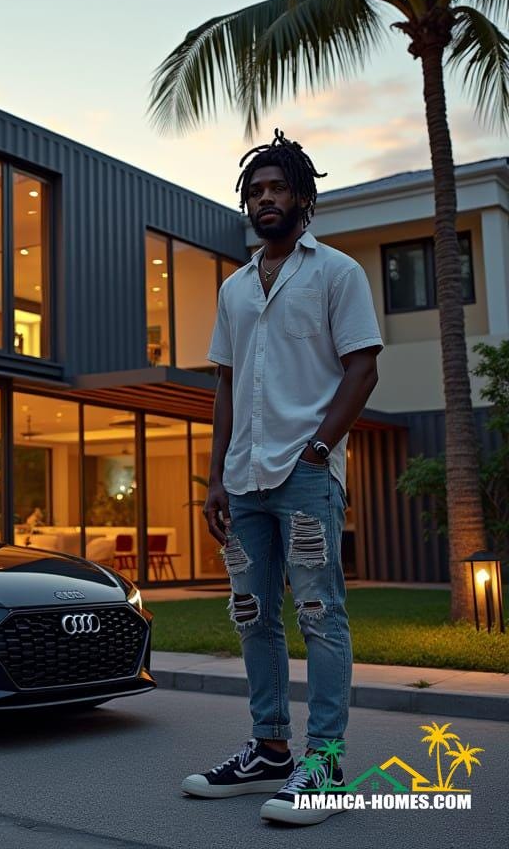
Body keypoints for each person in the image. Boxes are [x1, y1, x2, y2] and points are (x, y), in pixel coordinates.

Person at [181, 130, 383, 826]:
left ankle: (325, 762)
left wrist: (319, 451)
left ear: (302, 197)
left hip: (305, 477)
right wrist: (214, 478)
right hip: (243, 481)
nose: (265, 198)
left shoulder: (337, 273)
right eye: (256, 190)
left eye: (277, 188)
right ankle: (269, 750)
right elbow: (227, 385)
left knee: (319, 614)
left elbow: (363, 368)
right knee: (252, 614)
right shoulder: (234, 288)